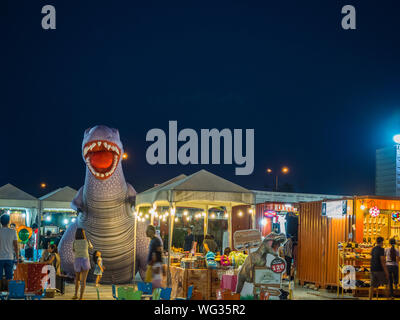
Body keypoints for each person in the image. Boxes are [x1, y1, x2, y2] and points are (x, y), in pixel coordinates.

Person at [72, 228, 93, 300]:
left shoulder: (74, 242)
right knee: (83, 280)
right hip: (85, 260)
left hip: (77, 259)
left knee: (77, 279)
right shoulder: (86, 241)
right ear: (83, 233)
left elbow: (73, 250)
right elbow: (91, 247)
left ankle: (75, 295)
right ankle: (81, 297)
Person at [0, 214, 19, 290]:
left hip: (0, 258)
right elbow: (16, 246)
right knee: (9, 277)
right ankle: (8, 293)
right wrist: (17, 257)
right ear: (8, 222)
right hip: (9, 257)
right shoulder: (13, 231)